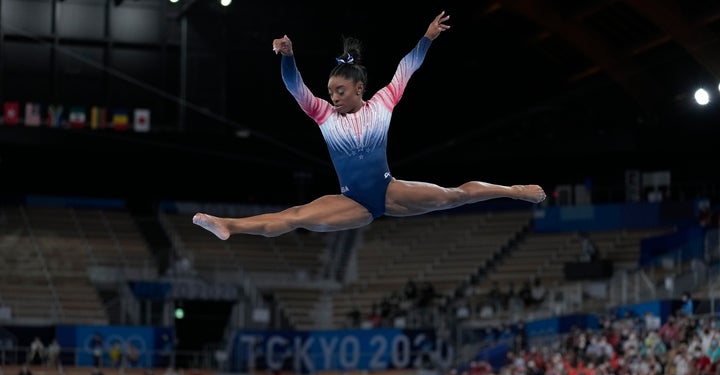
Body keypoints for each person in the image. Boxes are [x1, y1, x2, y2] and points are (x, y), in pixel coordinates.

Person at [192, 11, 546, 240]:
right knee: (295, 216)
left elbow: (408, 66)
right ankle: (229, 225)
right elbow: (293, 85)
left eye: (340, 91)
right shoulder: (322, 115)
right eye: (331, 92)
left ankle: (514, 190)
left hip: (390, 191)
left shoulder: (383, 102)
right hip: (352, 202)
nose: (333, 98)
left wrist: (427, 39)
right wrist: (288, 56)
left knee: (454, 196)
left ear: (359, 88)